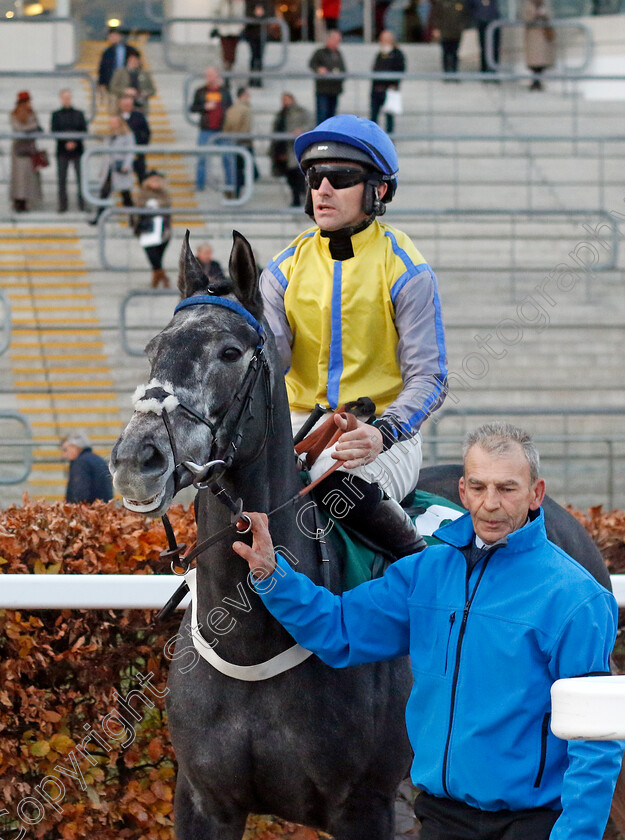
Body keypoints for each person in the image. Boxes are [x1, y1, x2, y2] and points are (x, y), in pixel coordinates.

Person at [234, 421, 624, 840]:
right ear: (462, 491)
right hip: (441, 819)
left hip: (530, 825)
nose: (490, 503)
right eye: (478, 487)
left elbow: (595, 740)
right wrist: (273, 576)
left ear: (536, 494)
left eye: (507, 488)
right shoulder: (425, 572)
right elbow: (340, 628)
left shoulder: (578, 598)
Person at [259, 115, 447, 555]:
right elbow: (268, 368)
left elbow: (430, 378)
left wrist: (384, 431)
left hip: (381, 434)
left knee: (335, 484)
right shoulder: (281, 270)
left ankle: (420, 576)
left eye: (340, 178)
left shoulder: (407, 269)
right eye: (314, 177)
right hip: (293, 427)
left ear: (378, 190)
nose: (322, 189)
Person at [189, 67, 232, 191]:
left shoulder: (224, 91)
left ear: (217, 76)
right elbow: (193, 108)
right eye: (208, 75)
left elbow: (230, 107)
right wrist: (204, 106)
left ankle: (231, 184)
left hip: (223, 129)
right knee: (202, 158)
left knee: (228, 158)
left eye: (212, 75)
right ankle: (200, 185)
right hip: (206, 129)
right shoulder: (200, 91)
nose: (210, 78)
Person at [89, 114, 134, 225]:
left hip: (120, 168)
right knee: (104, 193)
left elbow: (130, 152)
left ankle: (133, 219)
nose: (112, 125)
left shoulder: (127, 136)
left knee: (126, 196)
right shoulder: (109, 136)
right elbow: (106, 154)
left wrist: (126, 165)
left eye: (114, 122)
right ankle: (99, 217)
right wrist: (101, 169)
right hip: (109, 169)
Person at [269, 92, 312, 208]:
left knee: (297, 175)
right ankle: (296, 198)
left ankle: (301, 198)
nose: (285, 102)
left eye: (287, 99)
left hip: (294, 149)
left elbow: (310, 124)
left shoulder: (301, 112)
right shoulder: (280, 114)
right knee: (289, 176)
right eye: (283, 100)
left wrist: (302, 130)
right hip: (283, 149)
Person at [132, 170, 172, 288]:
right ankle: (162, 276)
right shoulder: (142, 193)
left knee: (158, 254)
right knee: (152, 254)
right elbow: (139, 207)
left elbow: (167, 203)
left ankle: (157, 275)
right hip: (147, 228)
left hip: (163, 229)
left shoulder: (164, 193)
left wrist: (155, 203)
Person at [50, 89, 87, 213]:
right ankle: (62, 205)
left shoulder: (79, 114)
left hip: (77, 151)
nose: (67, 99)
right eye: (64, 97)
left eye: (68, 97)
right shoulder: (56, 114)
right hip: (62, 151)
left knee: (81, 179)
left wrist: (74, 142)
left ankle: (82, 204)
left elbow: (83, 130)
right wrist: (66, 142)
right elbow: (54, 131)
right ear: (61, 98)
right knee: (62, 179)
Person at [9, 90, 42, 213]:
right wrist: (32, 127)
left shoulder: (32, 113)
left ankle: (26, 200)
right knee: (19, 178)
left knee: (29, 177)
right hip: (19, 149)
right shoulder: (14, 114)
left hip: (30, 148)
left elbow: (37, 125)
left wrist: (32, 128)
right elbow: (19, 129)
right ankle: (18, 201)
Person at [61, 431, 113, 504]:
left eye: (65, 450)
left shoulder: (80, 463)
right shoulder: (98, 459)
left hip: (88, 511)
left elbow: (79, 495)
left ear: (75, 447)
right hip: (103, 509)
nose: (64, 455)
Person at [370, 30, 406, 135]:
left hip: (389, 90)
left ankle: (389, 140)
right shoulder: (379, 54)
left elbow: (400, 70)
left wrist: (394, 85)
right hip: (377, 89)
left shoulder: (397, 54)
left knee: (389, 118)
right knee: (373, 117)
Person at [222, 86, 254, 199]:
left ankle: (236, 191)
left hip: (241, 141)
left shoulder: (239, 108)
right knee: (240, 169)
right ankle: (235, 191)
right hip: (241, 142)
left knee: (241, 169)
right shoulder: (240, 109)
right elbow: (233, 125)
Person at [309, 31, 347, 125]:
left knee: (332, 116)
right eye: (335, 40)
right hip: (323, 89)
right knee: (322, 115)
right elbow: (312, 64)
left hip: (334, 89)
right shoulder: (320, 53)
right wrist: (319, 69)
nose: (337, 42)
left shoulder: (338, 54)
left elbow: (343, 69)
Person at [97, 28, 139, 110]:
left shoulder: (131, 50)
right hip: (112, 87)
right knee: (114, 111)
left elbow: (138, 67)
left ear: (120, 36)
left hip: (129, 86)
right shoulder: (107, 52)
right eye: (111, 36)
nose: (113, 38)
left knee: (129, 111)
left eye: (115, 36)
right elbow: (102, 69)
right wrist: (101, 83)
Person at [522, 0, 555, 91]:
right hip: (533, 38)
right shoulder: (528, 5)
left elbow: (551, 16)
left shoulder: (545, 5)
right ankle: (535, 82)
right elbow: (525, 18)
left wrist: (544, 16)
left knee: (540, 62)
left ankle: (538, 82)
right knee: (534, 63)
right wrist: (535, 15)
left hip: (543, 37)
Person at [118, 93, 151, 184]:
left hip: (137, 151)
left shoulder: (139, 116)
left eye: (128, 104)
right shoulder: (117, 117)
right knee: (122, 179)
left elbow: (147, 133)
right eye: (124, 104)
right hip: (121, 154)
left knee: (141, 177)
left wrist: (141, 146)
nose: (126, 106)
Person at [429, 0, 469, 75]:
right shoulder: (440, 2)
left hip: (456, 32)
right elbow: (436, 15)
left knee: (455, 53)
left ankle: (454, 71)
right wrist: (436, 28)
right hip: (445, 32)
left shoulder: (461, 2)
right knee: (445, 52)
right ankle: (446, 72)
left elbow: (465, 15)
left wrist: (463, 27)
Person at [469, 0, 501, 73]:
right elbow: (470, 7)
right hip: (482, 23)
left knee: (495, 48)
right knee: (483, 47)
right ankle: (484, 70)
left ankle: (494, 71)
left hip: (494, 23)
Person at [244, 0, 270, 87]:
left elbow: (270, 13)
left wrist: (262, 14)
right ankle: (252, 79)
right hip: (252, 33)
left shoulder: (267, 2)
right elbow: (246, 14)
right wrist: (256, 14)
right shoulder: (250, 2)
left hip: (262, 33)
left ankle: (259, 80)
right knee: (253, 56)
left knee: (260, 57)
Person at [214, 0, 245, 70]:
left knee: (232, 54)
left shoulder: (239, 3)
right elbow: (215, 13)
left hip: (235, 31)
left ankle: (229, 70)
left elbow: (242, 15)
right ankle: (226, 71)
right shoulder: (221, 2)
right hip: (224, 31)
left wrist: (240, 27)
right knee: (226, 53)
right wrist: (217, 26)